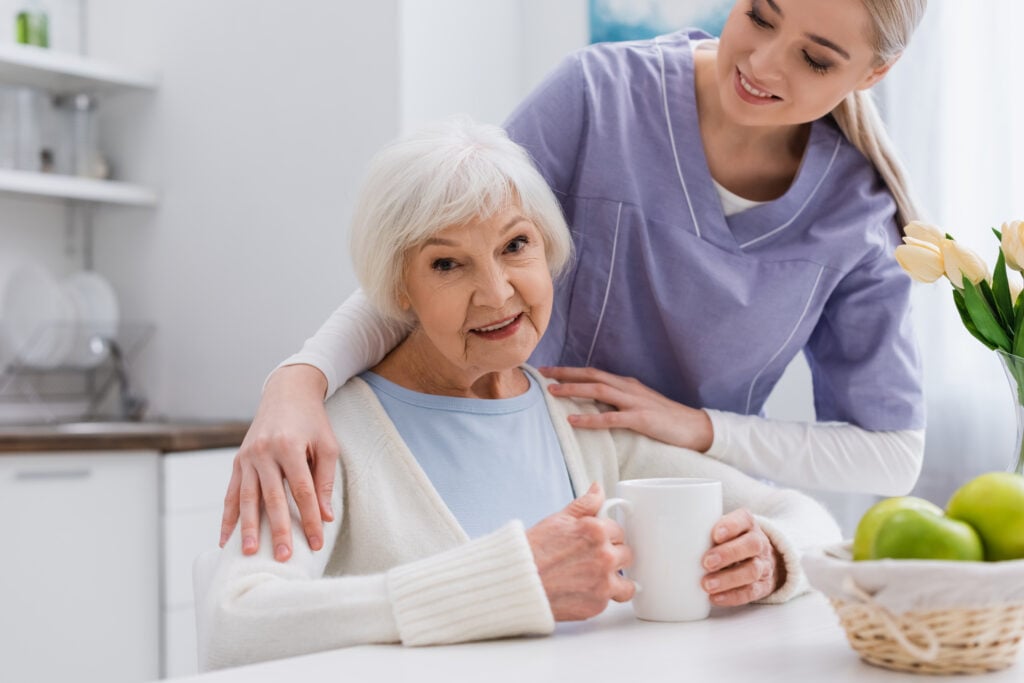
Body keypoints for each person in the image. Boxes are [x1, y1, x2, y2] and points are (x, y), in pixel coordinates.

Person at [221, 0, 928, 562]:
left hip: (699, 534)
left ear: (873, 73)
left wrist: (701, 428)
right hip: (528, 490)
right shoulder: (599, 96)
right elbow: (446, 259)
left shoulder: (859, 213)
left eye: (814, 57)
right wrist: (299, 379)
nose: (764, 62)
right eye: (760, 14)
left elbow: (893, 453)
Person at [198, 118, 841, 669]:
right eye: (447, 264)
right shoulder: (327, 437)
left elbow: (810, 520)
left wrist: (772, 559)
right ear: (399, 291)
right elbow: (237, 622)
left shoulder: (584, 420)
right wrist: (503, 584)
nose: (498, 292)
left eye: (515, 246)